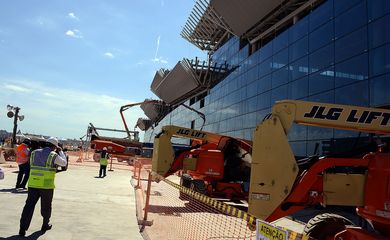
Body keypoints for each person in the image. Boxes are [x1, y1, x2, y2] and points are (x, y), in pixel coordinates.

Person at [19, 137, 67, 237]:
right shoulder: (53, 155)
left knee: (28, 206)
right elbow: (64, 163)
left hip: (33, 184)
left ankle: (22, 229)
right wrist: (61, 152)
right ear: (54, 147)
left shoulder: (34, 153)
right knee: (46, 207)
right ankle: (45, 225)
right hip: (46, 186)